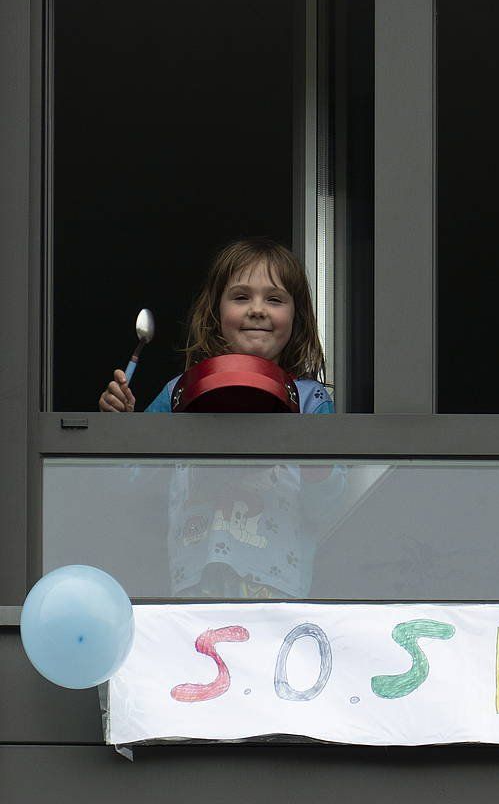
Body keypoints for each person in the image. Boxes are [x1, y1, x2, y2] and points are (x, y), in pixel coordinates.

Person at [98, 238, 339, 599]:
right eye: (241, 297)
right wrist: (122, 429)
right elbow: (130, 485)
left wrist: (309, 451)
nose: (257, 309)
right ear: (215, 311)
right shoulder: (180, 391)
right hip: (193, 589)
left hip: (278, 593)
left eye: (274, 299)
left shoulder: (310, 399)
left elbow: (330, 503)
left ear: (297, 316)